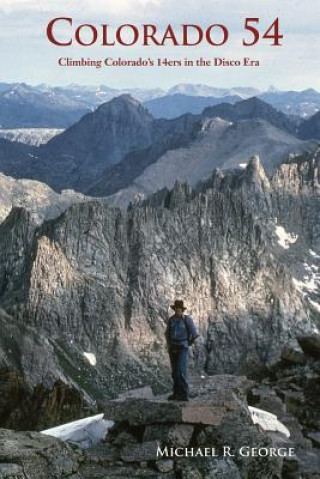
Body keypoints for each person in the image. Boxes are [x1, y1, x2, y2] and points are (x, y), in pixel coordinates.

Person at [165, 300, 199, 401]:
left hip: (182, 348)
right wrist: (168, 344)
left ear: (182, 310)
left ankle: (184, 394)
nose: (178, 311)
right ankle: (176, 393)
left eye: (179, 309)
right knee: (174, 372)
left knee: (180, 371)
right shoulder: (171, 320)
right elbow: (167, 333)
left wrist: (189, 343)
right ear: (174, 309)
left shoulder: (187, 320)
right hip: (173, 348)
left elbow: (194, 334)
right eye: (176, 309)